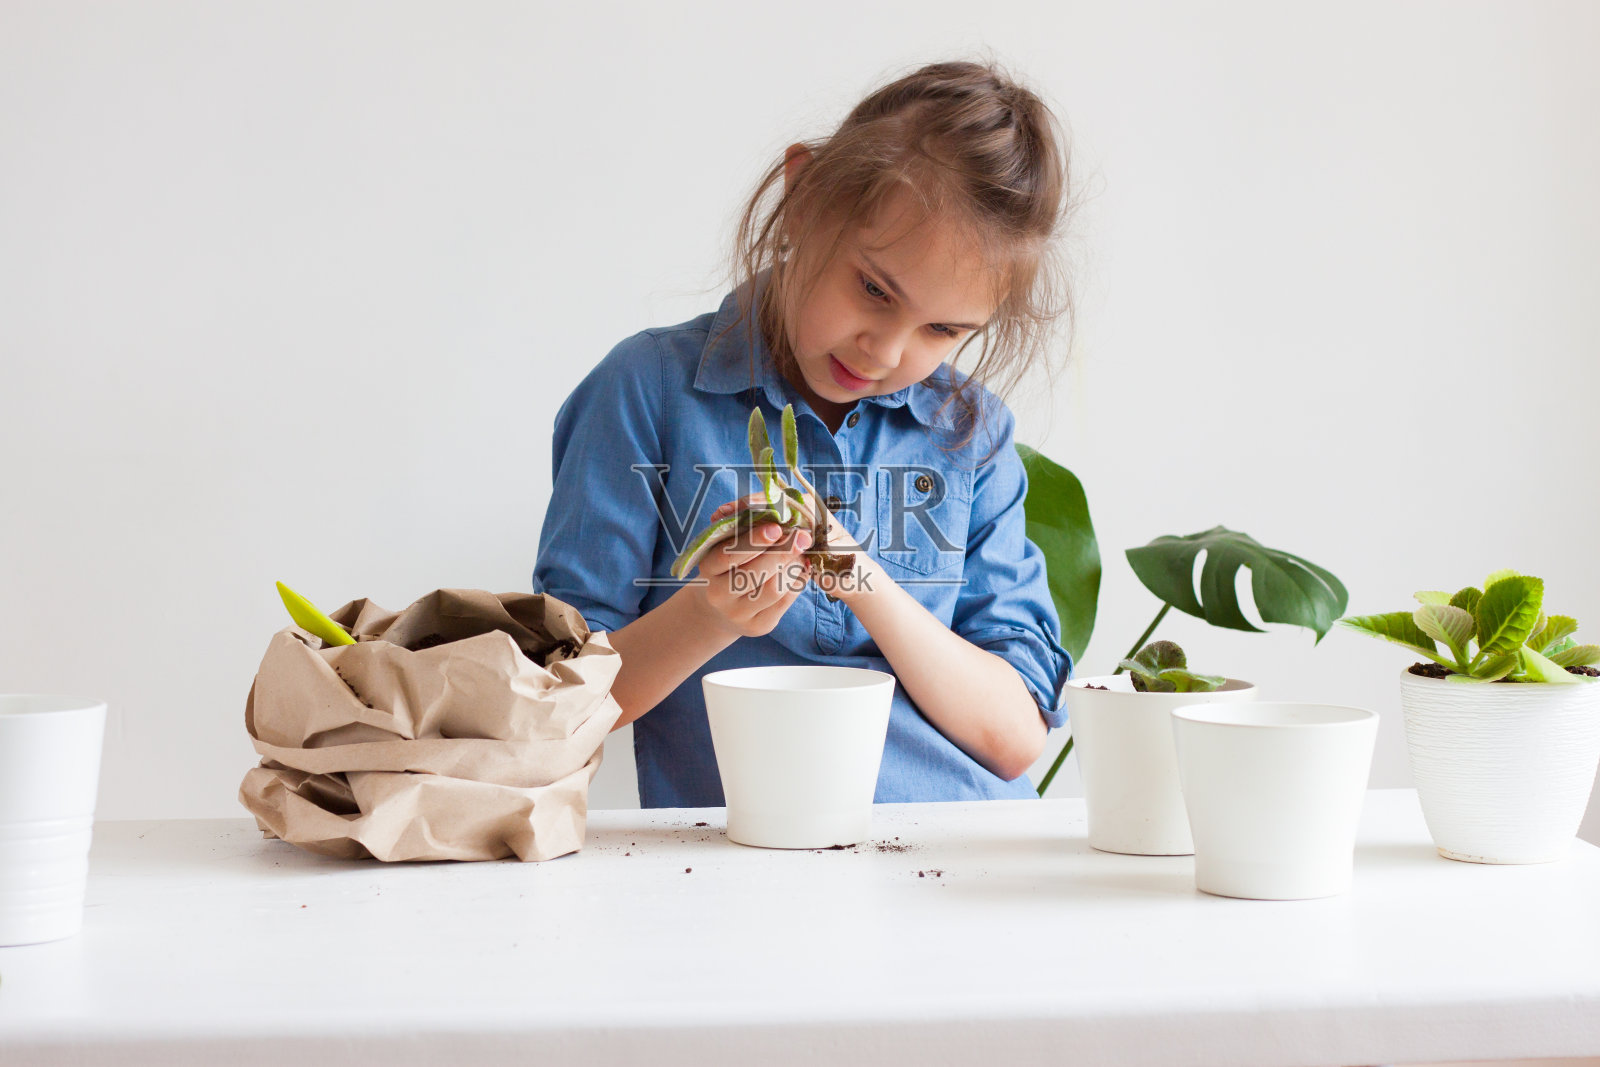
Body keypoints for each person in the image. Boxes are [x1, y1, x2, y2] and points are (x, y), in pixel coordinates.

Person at [534, 59, 1077, 806]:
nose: (885, 350)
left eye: (942, 329)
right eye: (874, 289)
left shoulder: (971, 435)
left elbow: (1016, 740)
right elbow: (561, 711)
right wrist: (709, 610)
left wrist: (853, 571)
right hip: (740, 878)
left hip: (964, 868)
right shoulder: (646, 391)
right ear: (804, 196)